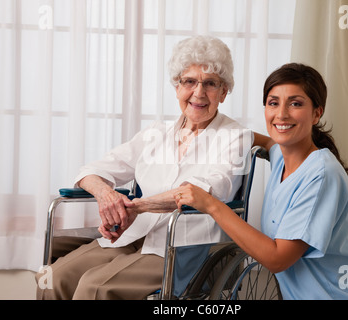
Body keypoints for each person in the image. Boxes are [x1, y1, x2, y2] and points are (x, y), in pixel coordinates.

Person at [36, 35, 253, 299]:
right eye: (189, 82)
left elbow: (205, 192)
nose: (198, 92)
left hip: (182, 245)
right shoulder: (155, 133)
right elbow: (91, 171)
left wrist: (134, 207)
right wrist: (108, 198)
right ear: (177, 87)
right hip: (131, 234)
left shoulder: (235, 137)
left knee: (94, 288)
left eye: (210, 84)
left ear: (224, 91)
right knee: (52, 277)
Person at [175, 63, 348, 299]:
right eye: (273, 103)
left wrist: (212, 205)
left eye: (295, 103)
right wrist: (221, 133)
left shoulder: (322, 174)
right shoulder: (281, 157)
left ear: (317, 113)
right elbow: (266, 140)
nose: (281, 114)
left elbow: (277, 258)